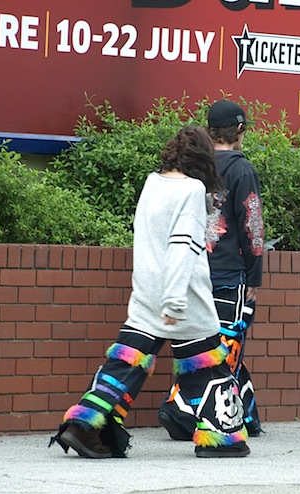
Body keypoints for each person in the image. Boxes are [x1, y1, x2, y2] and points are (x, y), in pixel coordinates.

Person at [49, 125, 250, 458]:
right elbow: (183, 246)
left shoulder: (152, 183)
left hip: (146, 292)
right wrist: (174, 301)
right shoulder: (192, 190)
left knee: (126, 363)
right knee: (207, 365)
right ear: (203, 158)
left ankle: (83, 425)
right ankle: (223, 438)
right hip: (183, 297)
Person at [158, 100, 265, 440]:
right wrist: (255, 274)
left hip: (191, 270)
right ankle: (181, 407)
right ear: (240, 130)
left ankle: (247, 415)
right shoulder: (241, 169)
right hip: (227, 275)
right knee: (226, 347)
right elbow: (252, 224)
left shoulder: (191, 167)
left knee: (199, 343)